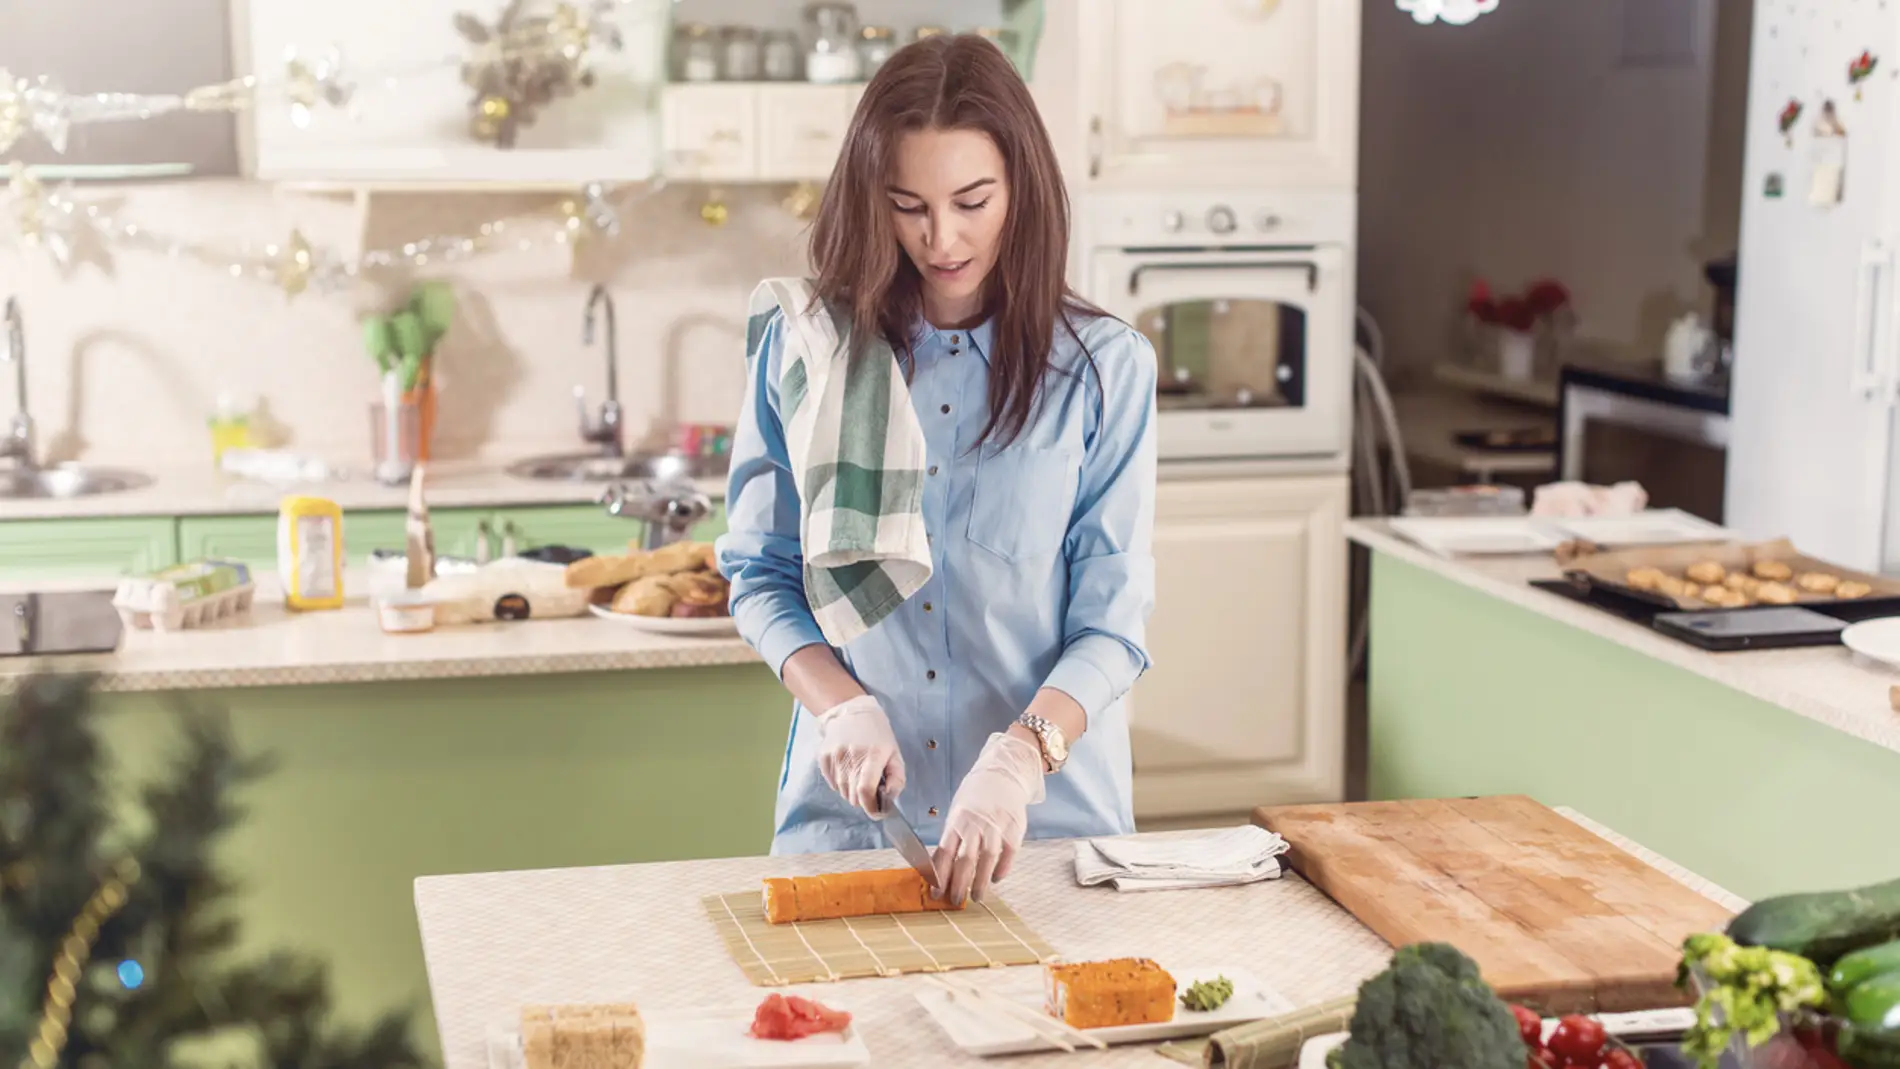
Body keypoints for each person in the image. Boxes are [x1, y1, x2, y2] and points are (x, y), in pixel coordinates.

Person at [715, 33, 1158, 908]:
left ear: (1020, 190)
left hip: (1047, 832)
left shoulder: (1105, 369)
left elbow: (1114, 624)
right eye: (907, 204)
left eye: (972, 200)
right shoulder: (804, 351)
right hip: (850, 828)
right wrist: (837, 703)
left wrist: (1024, 751)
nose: (942, 237)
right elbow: (759, 575)